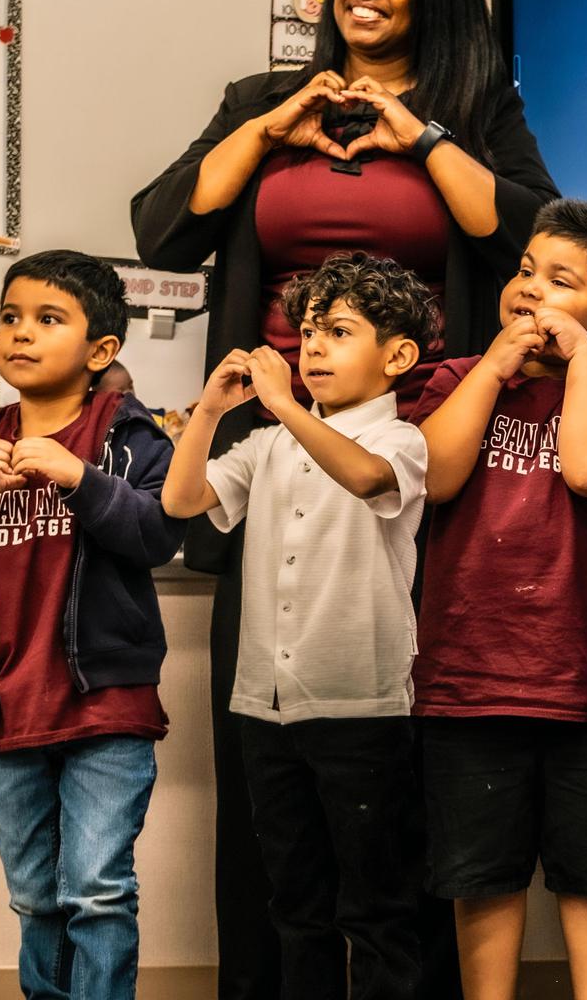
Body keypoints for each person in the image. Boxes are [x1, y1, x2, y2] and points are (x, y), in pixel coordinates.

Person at [129, 0, 557, 998]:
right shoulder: (261, 101)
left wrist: (424, 137)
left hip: (410, 456)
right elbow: (162, 226)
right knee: (264, 762)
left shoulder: (475, 104)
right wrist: (268, 132)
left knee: (388, 772)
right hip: (265, 446)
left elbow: (531, 239)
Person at [411, 200, 587, 1000]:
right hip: (468, 681)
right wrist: (492, 369)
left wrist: (586, 361)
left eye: (561, 282)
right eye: (525, 271)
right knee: (480, 878)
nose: (529, 291)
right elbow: (436, 475)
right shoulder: (457, 381)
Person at [161, 253, 437, 1000]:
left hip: (360, 709)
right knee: (295, 904)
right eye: (306, 332)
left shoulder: (400, 442)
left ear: (397, 356)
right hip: (266, 705)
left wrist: (282, 406)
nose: (312, 347)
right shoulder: (267, 444)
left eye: (338, 332)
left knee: (377, 908)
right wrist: (213, 413)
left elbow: (366, 480)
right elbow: (182, 502)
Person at [0, 251, 186, 1000]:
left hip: (106, 707)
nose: (20, 334)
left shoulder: (126, 433)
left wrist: (80, 479)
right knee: (35, 897)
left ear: (101, 352)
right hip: (5, 710)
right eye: (10, 317)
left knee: (97, 890)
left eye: (47, 319)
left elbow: (159, 533)